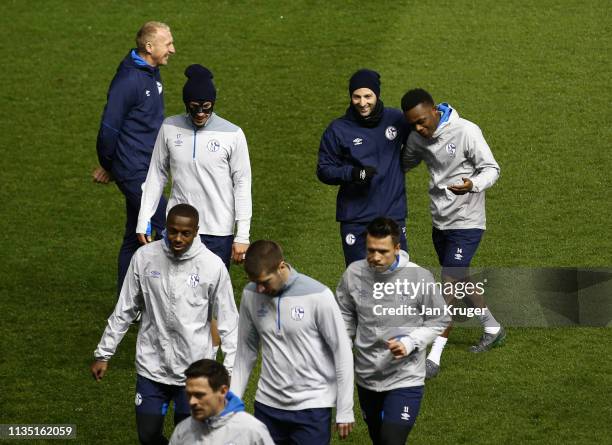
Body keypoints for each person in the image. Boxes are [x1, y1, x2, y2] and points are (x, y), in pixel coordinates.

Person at [90, 204, 238, 445]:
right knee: (148, 436)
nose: (178, 238)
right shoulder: (145, 258)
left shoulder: (212, 267)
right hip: (152, 367)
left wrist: (228, 373)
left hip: (194, 374)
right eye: (173, 231)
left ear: (196, 231)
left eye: (185, 233)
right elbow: (125, 308)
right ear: (165, 229)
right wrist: (104, 353)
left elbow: (229, 323)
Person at [400, 88, 505, 379]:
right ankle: (493, 328)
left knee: (449, 283)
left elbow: (491, 168)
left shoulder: (466, 131)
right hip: (440, 221)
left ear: (435, 110)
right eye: (413, 125)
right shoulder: (417, 138)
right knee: (459, 278)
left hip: (468, 221)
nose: (420, 128)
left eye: (422, 121)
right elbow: (402, 165)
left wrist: (472, 184)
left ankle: (433, 355)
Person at [335, 217, 450, 445]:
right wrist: (343, 343)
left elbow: (440, 318)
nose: (375, 257)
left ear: (397, 248)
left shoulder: (419, 277)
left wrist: (410, 342)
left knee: (391, 441)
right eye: (371, 250)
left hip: (405, 378)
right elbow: (345, 315)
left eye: (383, 251)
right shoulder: (354, 274)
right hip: (367, 377)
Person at [230, 240, 355, 444]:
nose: (260, 289)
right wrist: (232, 401)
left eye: (265, 282)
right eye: (255, 282)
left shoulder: (318, 295)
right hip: (267, 405)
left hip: (313, 407)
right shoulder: (250, 294)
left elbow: (342, 351)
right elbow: (245, 352)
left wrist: (345, 409)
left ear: (281, 267)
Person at [136, 64, 252, 270]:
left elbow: (242, 184)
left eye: (206, 106)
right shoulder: (169, 127)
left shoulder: (233, 134)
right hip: (177, 229)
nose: (200, 113)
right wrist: (144, 218)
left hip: (217, 232)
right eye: (194, 107)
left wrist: (243, 234)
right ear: (186, 104)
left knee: (211, 296)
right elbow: (156, 175)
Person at [93, 21, 175, 296]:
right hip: (135, 170)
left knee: (133, 234)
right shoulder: (129, 80)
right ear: (149, 47)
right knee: (168, 225)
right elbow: (109, 128)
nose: (173, 50)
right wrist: (110, 165)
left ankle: (126, 303)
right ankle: (161, 298)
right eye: (168, 44)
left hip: (146, 167)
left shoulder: (151, 72)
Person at [317, 69, 410, 266]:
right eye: (356, 97)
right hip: (356, 218)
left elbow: (424, 134)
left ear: (377, 95)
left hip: (392, 215)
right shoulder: (338, 130)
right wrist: (352, 173)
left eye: (368, 96)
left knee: (399, 279)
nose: (362, 103)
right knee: (360, 280)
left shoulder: (396, 119)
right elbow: (324, 169)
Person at [168, 359, 274, 445]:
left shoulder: (251, 431)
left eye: (199, 395)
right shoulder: (182, 431)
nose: (192, 402)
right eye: (189, 394)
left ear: (223, 391)